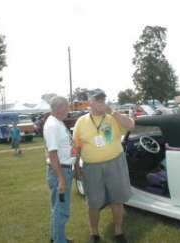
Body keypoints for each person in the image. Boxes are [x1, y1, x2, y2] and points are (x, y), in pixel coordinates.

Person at [73, 89, 134, 243]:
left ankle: (118, 232)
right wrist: (76, 165)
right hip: (91, 166)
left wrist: (113, 112)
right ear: (90, 102)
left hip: (115, 162)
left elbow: (131, 126)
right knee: (93, 201)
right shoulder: (81, 121)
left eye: (103, 99)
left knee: (117, 198)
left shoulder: (113, 116)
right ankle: (94, 233)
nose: (101, 102)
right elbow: (76, 146)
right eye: (97, 99)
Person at [43, 96, 77, 243]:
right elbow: (52, 153)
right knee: (61, 211)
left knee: (57, 208)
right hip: (60, 172)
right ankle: (59, 240)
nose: (68, 110)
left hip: (63, 170)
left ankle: (57, 237)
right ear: (56, 108)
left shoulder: (57, 122)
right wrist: (61, 179)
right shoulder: (52, 125)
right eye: (66, 107)